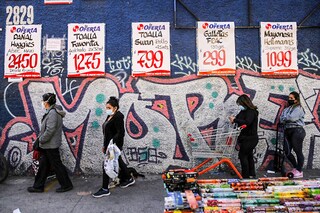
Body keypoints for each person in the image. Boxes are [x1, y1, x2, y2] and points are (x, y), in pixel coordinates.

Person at [28, 93, 73, 193]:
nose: (42, 103)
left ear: (47, 102)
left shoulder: (52, 113)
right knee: (44, 165)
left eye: (43, 101)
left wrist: (41, 140)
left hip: (50, 145)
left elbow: (50, 130)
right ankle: (38, 186)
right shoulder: (52, 111)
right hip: (48, 145)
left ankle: (66, 185)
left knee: (57, 165)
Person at [93, 96, 135, 198]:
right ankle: (129, 178)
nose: (107, 109)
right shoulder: (110, 116)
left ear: (115, 108)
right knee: (118, 160)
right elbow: (106, 132)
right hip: (109, 145)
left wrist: (112, 144)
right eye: (106, 107)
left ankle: (104, 189)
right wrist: (105, 145)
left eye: (109, 107)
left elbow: (121, 132)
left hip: (114, 145)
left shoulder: (118, 116)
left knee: (106, 164)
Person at [229, 94, 259, 179]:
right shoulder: (243, 111)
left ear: (244, 103)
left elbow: (247, 122)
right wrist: (233, 119)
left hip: (250, 138)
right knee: (248, 155)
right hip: (245, 137)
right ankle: (251, 174)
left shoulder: (251, 112)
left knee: (243, 155)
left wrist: (235, 120)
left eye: (240, 104)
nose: (239, 106)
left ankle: (245, 175)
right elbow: (239, 119)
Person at [280, 91, 306, 178]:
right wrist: (286, 118)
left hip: (297, 130)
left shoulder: (298, 108)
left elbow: (292, 118)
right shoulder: (287, 109)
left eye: (291, 98)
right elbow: (281, 119)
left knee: (297, 150)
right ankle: (295, 167)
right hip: (288, 130)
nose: (289, 99)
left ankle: (299, 170)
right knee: (287, 151)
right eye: (289, 98)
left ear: (296, 100)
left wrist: (286, 118)